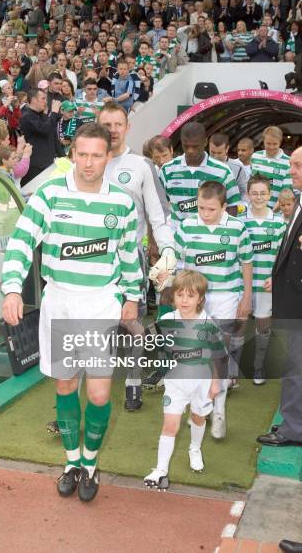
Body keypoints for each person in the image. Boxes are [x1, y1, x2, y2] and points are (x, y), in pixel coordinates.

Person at [2, 122, 142, 502]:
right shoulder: (48, 196)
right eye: (82, 154)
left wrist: (132, 298)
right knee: (65, 386)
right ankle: (72, 462)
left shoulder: (122, 202)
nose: (89, 162)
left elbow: (130, 256)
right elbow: (20, 243)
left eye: (97, 155)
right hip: (60, 300)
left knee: (98, 394)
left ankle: (92, 464)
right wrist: (12, 288)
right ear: (72, 155)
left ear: (108, 157)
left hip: (100, 303)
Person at [98, 102, 175, 410]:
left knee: (133, 324)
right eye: (107, 124)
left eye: (118, 124)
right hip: (93, 262)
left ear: (127, 127)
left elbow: (159, 217)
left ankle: (133, 385)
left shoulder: (142, 166)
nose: (112, 130)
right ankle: (94, 390)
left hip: (130, 260)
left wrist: (167, 255)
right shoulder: (87, 162)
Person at [174, 181, 253, 438]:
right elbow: (177, 263)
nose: (205, 214)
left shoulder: (238, 228)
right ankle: (199, 407)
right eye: (201, 208)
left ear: (224, 206)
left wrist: (247, 297)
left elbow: (246, 263)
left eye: (211, 209)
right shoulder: (186, 225)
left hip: (226, 297)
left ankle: (219, 410)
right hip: (195, 299)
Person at [144, 271, 225, 490]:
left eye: (190, 296)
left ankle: (195, 449)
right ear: (173, 298)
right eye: (180, 295)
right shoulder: (167, 320)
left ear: (200, 298)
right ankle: (161, 469)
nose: (185, 300)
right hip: (176, 384)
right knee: (170, 425)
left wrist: (216, 384)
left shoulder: (208, 325)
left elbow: (218, 357)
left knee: (198, 419)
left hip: (202, 383)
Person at [257, 146, 302, 448]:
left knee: (295, 367)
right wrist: (278, 278)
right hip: (289, 295)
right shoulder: (298, 200)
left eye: (298, 165)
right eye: (291, 165)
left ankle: (294, 429)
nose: (291, 171)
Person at [238, 175, 286, 384]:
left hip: (266, 285)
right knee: (238, 326)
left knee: (263, 327)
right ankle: (232, 372)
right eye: (254, 193)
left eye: (263, 193)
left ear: (270, 195)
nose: (258, 197)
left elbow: (283, 255)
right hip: (241, 284)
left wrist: (274, 277)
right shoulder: (239, 222)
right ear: (248, 194)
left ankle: (258, 367)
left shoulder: (279, 223)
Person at [160, 122, 241, 230]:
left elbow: (232, 206)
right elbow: (159, 206)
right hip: (177, 238)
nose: (190, 150)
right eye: (186, 145)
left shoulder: (222, 171)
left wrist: (221, 232)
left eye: (195, 146)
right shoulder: (167, 170)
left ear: (205, 142)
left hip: (210, 241)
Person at [19, 88, 62, 184]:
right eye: (43, 99)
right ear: (34, 100)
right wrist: (54, 113)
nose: (46, 102)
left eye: (46, 99)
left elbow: (53, 136)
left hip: (49, 162)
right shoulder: (27, 116)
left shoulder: (43, 116)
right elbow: (44, 130)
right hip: (36, 166)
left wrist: (63, 156)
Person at [250, 126, 292, 210]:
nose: (271, 147)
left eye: (275, 144)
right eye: (268, 143)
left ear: (280, 142)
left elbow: (285, 193)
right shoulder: (255, 156)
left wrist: (272, 213)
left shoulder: (288, 162)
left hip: (276, 212)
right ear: (263, 141)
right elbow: (250, 184)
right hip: (255, 209)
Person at [208, 132, 248, 202]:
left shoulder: (238, 168)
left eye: (219, 153)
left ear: (227, 149)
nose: (216, 156)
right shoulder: (201, 165)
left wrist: (241, 207)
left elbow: (244, 192)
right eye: (212, 152)